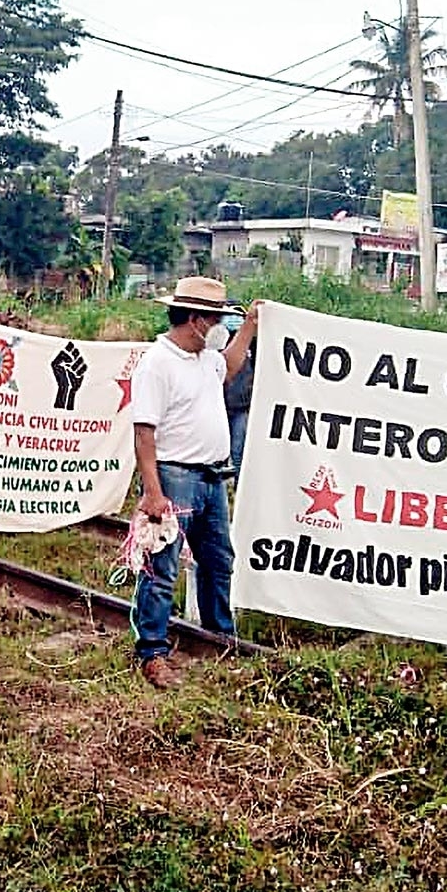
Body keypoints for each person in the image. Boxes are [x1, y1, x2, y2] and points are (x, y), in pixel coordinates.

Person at [129, 276, 258, 689]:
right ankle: (152, 651)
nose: (222, 326)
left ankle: (221, 640)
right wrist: (153, 492)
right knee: (161, 568)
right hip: (174, 475)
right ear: (195, 320)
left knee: (219, 562)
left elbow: (231, 365)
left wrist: (251, 325)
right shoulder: (158, 363)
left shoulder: (206, 357)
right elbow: (144, 433)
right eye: (216, 318)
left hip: (211, 477)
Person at [220, 309, 254, 477]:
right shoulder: (215, 340)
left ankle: (240, 490)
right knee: (218, 453)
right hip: (218, 407)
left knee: (239, 451)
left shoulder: (251, 343)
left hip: (241, 406)